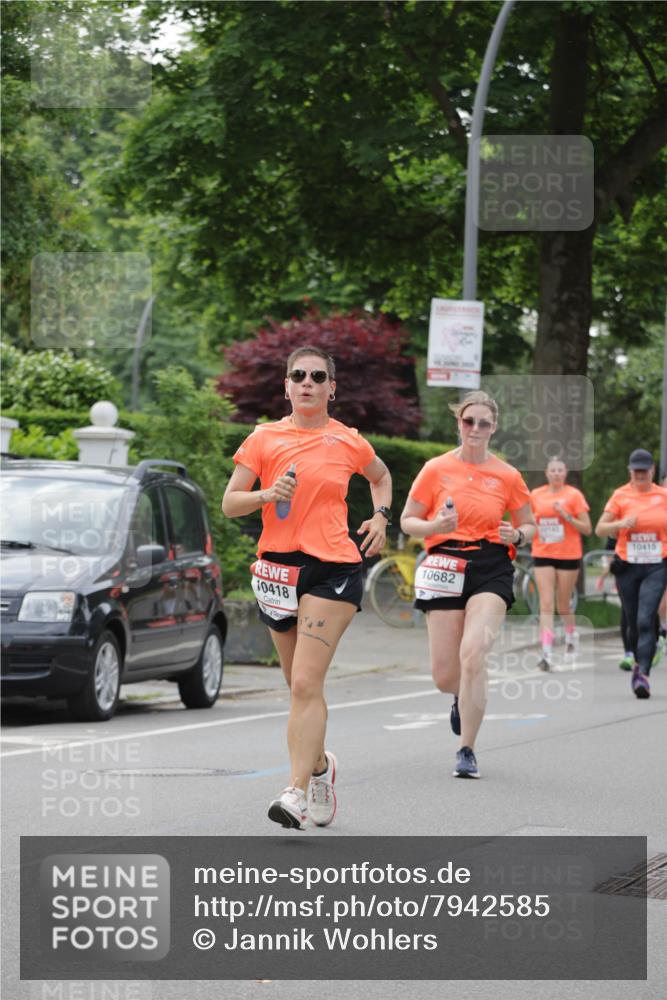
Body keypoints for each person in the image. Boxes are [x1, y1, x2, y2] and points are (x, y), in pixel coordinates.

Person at [222, 346, 391, 829]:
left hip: (333, 568)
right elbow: (230, 503)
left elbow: (380, 476)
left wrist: (381, 516)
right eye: (298, 375)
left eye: (318, 377)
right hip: (278, 571)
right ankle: (319, 768)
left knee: (304, 683)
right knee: (297, 686)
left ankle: (294, 792)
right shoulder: (263, 438)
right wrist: (266, 493)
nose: (307, 383)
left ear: (331, 388)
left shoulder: (348, 440)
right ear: (287, 385)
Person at [400, 390, 535, 779]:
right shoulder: (435, 469)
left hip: (491, 566)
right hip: (444, 562)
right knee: (445, 675)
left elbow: (529, 524)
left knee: (474, 653)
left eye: (483, 423)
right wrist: (434, 526)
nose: (475, 428)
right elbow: (408, 520)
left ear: (494, 428)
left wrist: (517, 536)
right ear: (459, 423)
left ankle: (467, 749)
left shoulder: (508, 475)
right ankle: (462, 694)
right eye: (468, 420)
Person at [596, 449, 667, 699]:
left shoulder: (663, 495)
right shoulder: (620, 495)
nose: (640, 474)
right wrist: (619, 524)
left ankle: (643, 675)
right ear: (630, 471)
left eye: (644, 470)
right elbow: (600, 528)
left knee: (646, 618)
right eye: (636, 470)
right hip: (627, 566)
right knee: (633, 619)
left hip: (657, 565)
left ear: (652, 470)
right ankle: (638, 662)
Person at [529, 458, 592, 669]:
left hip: (568, 554)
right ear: (546, 473)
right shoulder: (536, 495)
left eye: (560, 470)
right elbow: (527, 521)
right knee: (546, 604)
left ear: (565, 473)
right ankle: (546, 653)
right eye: (553, 470)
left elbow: (587, 528)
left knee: (563, 604)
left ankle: (571, 635)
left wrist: (566, 516)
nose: (556, 473)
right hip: (543, 552)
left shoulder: (574, 495)